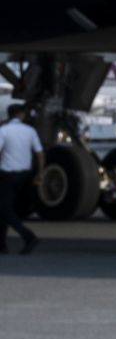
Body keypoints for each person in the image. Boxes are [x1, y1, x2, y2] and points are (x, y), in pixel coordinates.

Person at [0, 100, 41, 256]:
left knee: (3, 209)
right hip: (25, 175)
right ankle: (1, 244)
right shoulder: (30, 131)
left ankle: (28, 236)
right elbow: (40, 153)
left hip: (7, 174)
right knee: (5, 208)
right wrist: (40, 173)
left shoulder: (4, 130)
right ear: (22, 115)